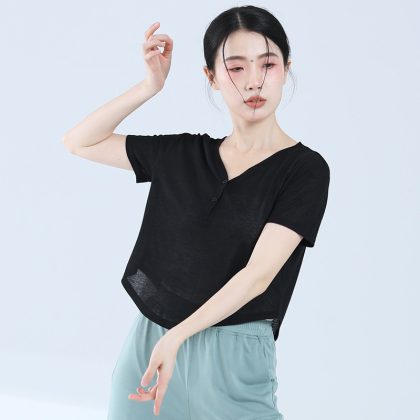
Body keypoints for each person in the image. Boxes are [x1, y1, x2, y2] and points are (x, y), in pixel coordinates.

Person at [63, 5, 330, 420]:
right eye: (236, 68)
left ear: (286, 69)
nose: (254, 81)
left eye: (267, 64)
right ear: (212, 77)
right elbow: (80, 142)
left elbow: (258, 275)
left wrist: (179, 337)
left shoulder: (304, 170)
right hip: (150, 346)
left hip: (232, 359)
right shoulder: (182, 154)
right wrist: (149, 86)